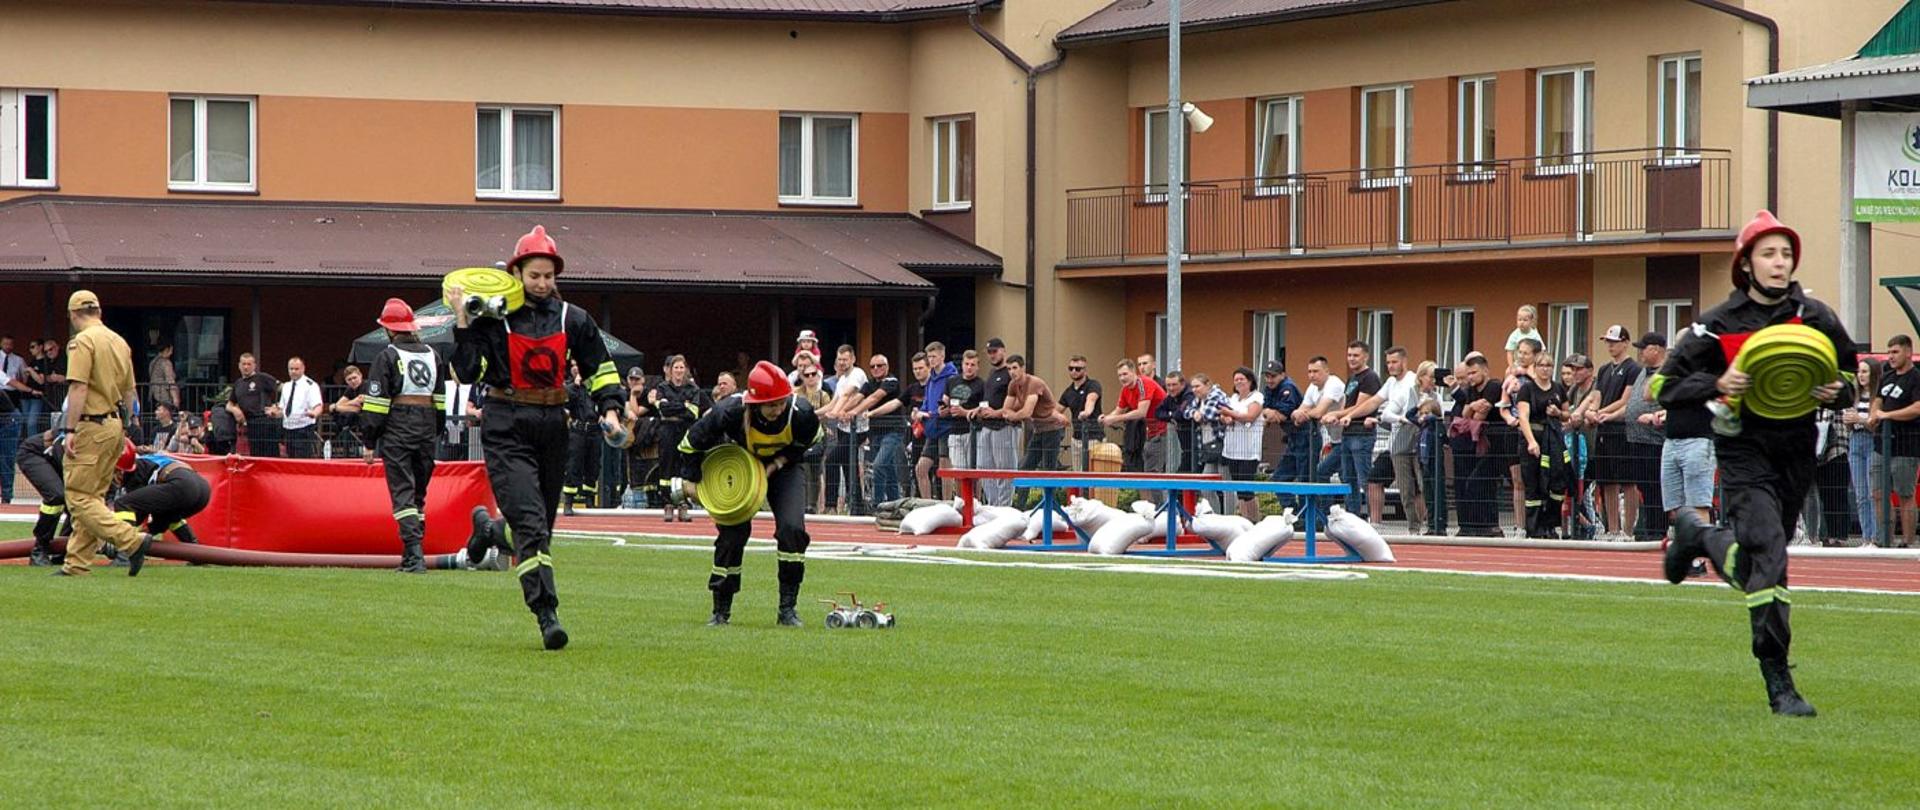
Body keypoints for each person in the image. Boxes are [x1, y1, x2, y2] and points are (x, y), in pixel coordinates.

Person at [1661, 210, 1857, 717]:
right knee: (1770, 553)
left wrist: (1838, 391)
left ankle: (1699, 535)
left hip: (1797, 448)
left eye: (1786, 254)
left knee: (1761, 561)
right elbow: (1662, 386)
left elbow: (1850, 379)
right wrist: (1717, 384)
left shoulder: (1816, 317)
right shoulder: (1715, 324)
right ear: (1745, 263)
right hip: (1742, 448)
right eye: (1768, 253)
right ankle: (1779, 682)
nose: (1779, 262)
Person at [451, 225, 627, 650]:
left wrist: (611, 411)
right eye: (535, 276)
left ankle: (491, 531)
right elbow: (466, 373)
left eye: (549, 276)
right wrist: (462, 321)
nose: (543, 284)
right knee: (531, 526)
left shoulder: (575, 319)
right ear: (517, 274)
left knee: (539, 530)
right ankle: (546, 613)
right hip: (505, 423)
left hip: (552, 424)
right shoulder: (492, 318)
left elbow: (600, 367)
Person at [679, 361, 822, 627]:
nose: (777, 410)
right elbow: (690, 443)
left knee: (792, 530)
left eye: (781, 403)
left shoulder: (801, 413)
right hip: (741, 472)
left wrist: (777, 463)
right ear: (753, 403)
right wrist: (695, 481)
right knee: (732, 538)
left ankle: (787, 610)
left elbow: (812, 442)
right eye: (770, 405)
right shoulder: (728, 412)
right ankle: (720, 611)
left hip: (784, 470)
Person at [55, 290, 157, 577]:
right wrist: (127, 424)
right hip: (114, 425)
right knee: (94, 497)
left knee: (78, 498)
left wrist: (70, 428)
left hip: (91, 423)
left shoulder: (82, 342)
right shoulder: (119, 341)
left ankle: (131, 541)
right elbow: (129, 390)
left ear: (73, 315)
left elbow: (78, 386)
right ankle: (75, 565)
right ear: (98, 311)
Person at [360, 298, 453, 573]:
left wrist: (369, 440)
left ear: (389, 329)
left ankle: (414, 556)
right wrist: (435, 431)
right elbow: (440, 399)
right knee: (418, 495)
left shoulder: (386, 356)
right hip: (426, 429)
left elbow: (377, 405)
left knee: (402, 493)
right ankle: (413, 553)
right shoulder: (432, 355)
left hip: (398, 428)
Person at [1586, 325, 1643, 539]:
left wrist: (1600, 412)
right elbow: (1598, 393)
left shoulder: (1633, 369)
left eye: (1615, 341)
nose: (1610, 345)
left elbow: (1625, 399)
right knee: (1607, 480)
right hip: (1604, 430)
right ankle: (1612, 528)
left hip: (1622, 431)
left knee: (1627, 481)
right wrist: (1592, 411)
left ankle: (1628, 530)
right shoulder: (1603, 369)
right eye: (1608, 341)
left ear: (1626, 342)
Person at [1870, 334, 1920, 547]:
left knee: (1905, 494)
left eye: (1895, 352)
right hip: (1881, 445)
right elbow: (1877, 400)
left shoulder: (1916, 377)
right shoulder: (1887, 377)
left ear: (1908, 352)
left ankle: (1908, 542)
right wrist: (1874, 415)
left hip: (1905, 446)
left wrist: (1888, 416)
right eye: (1889, 352)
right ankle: (1885, 539)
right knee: (1879, 493)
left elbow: (1917, 407)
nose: (1890, 356)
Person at [1323, 341, 1383, 514]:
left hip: (1362, 434)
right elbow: (1348, 404)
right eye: (1349, 355)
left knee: (1365, 479)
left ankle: (1374, 519)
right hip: (1348, 433)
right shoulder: (1352, 378)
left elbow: (1360, 406)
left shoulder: (1370, 377)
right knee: (1348, 479)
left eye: (1356, 355)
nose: (1351, 359)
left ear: (1366, 356)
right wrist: (1339, 417)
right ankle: (1352, 515)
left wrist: (1338, 415)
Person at [1514, 353, 1569, 538]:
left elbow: (1567, 414)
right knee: (1534, 485)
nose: (1545, 368)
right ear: (1535, 367)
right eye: (1541, 365)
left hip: (1553, 440)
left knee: (1556, 484)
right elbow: (1523, 417)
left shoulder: (1558, 389)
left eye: (1549, 365)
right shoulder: (1527, 389)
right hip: (1534, 437)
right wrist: (1531, 442)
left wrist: (1558, 413)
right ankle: (1534, 527)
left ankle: (1551, 525)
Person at [112, 445, 211, 547]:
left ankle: (123, 554)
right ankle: (195, 552)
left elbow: (137, 513)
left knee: (123, 503)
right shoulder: (155, 460)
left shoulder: (137, 465)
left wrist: (111, 530)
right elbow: (159, 520)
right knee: (169, 515)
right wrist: (151, 529)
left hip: (182, 485)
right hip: (203, 490)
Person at [649, 354, 708, 522]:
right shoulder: (662, 387)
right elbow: (662, 409)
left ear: (686, 370)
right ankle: (668, 505)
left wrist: (672, 406)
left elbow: (693, 413)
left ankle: (683, 506)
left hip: (684, 431)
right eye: (676, 367)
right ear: (670, 370)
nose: (679, 370)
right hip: (667, 430)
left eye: (682, 367)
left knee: (683, 468)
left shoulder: (693, 389)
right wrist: (683, 405)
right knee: (666, 468)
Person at [1101, 357, 1167, 504]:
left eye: (1125, 374)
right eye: (1119, 375)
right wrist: (1106, 418)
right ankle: (1154, 506)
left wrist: (1115, 419)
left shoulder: (1144, 383)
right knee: (1145, 471)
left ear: (1133, 373)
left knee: (1153, 472)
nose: (1122, 378)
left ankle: (1162, 508)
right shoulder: (1125, 390)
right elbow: (1118, 410)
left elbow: (1141, 412)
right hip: (1149, 432)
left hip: (1164, 430)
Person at [1450, 354, 1503, 537]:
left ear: (1485, 370)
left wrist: (1472, 410)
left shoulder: (1494, 386)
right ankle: (1473, 526)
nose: (1470, 377)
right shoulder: (1472, 390)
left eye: (1474, 373)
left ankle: (1491, 525)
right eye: (1468, 374)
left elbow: (1480, 416)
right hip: (1477, 444)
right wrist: (1472, 405)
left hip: (1496, 443)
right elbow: (1466, 415)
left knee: (1480, 482)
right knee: (1468, 483)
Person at [1003, 355, 1065, 505]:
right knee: (1025, 467)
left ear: (1023, 368)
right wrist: (1011, 414)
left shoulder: (1034, 383)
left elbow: (1026, 412)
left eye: (1015, 368)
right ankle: (1020, 505)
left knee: (1048, 469)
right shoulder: (1013, 385)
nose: (1012, 372)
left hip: (1052, 428)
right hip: (1038, 429)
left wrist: (1013, 416)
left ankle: (1050, 505)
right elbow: (1006, 409)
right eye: (1009, 368)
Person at [1376, 349, 1426, 534]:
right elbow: (1386, 412)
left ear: (1404, 362)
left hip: (1420, 441)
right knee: (1405, 488)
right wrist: (1403, 419)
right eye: (1388, 362)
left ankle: (1430, 524)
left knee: (1423, 485)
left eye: (1394, 362)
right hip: (1399, 442)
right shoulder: (1396, 386)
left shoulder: (1420, 388)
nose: (1390, 366)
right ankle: (1413, 527)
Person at [848, 354, 908, 505]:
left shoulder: (891, 381)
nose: (876, 369)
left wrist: (855, 412)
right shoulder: (869, 383)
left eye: (879, 365)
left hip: (893, 431)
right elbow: (857, 398)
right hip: (875, 432)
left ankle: (878, 504)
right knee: (888, 469)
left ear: (887, 367)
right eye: (872, 366)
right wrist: (842, 411)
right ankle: (895, 504)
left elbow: (874, 398)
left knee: (879, 465)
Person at [18, 423, 69, 565]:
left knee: (79, 502)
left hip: (59, 456)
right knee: (56, 496)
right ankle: (40, 549)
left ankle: (64, 549)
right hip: (35, 452)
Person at [1221, 367, 1267, 521]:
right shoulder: (1233, 398)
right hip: (1232, 448)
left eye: (1242, 379)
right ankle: (1244, 519)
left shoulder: (1257, 397)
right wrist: (1225, 418)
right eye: (1236, 379)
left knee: (1247, 488)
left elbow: (1250, 416)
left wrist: (1230, 414)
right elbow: (1224, 416)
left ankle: (1254, 519)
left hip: (1249, 449)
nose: (1239, 382)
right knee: (1238, 487)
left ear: (1250, 381)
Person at [977, 338, 1017, 506]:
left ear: (1003, 350)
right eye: (989, 352)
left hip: (1004, 426)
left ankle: (1004, 508)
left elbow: (1016, 401)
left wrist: (996, 413)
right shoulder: (992, 374)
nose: (992, 355)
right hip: (987, 427)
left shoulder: (1010, 374)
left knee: (1004, 469)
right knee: (983, 468)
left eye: (995, 351)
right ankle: (993, 506)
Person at [1184, 373, 1231, 513]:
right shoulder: (1200, 400)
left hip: (1222, 445)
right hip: (1208, 446)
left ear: (1208, 385)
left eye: (1197, 386)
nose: (1194, 390)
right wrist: (1195, 413)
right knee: (1205, 486)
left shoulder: (1216, 395)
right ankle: (1216, 515)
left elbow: (1209, 415)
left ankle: (1229, 517)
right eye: (1192, 387)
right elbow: (1186, 411)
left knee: (1227, 484)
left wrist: (1199, 414)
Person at [1844, 359, 1880, 545]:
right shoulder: (1855, 395)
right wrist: (1849, 420)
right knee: (1860, 493)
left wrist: (1860, 419)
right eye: (1859, 372)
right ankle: (1866, 538)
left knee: (1872, 492)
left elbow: (1876, 424)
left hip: (1871, 441)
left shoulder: (1877, 397)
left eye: (1865, 371)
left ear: (1873, 373)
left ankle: (1875, 536)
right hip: (1855, 440)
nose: (1861, 375)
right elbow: (1852, 423)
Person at [560, 360, 601, 517]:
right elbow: (566, 401)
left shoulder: (594, 386)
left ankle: (589, 499)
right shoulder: (569, 387)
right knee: (573, 465)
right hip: (577, 430)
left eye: (579, 364)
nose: (577, 368)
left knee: (593, 466)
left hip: (594, 430)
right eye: (573, 365)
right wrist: (576, 386)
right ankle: (569, 502)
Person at [915, 343, 955, 499]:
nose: (931, 360)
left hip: (946, 427)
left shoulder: (951, 377)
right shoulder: (931, 377)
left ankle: (947, 504)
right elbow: (926, 400)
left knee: (945, 468)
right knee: (921, 468)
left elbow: (954, 399)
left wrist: (943, 409)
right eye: (929, 357)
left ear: (942, 356)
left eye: (934, 357)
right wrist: (920, 411)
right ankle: (927, 504)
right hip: (932, 428)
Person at [227, 353, 281, 458]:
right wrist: (235, 410)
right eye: (244, 364)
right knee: (255, 456)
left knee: (270, 455)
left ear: (254, 365)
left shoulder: (262, 378)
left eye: (249, 364)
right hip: (250, 424)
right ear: (239, 365)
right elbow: (229, 404)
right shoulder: (238, 383)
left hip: (265, 421)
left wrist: (277, 406)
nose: (246, 367)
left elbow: (283, 388)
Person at [1057, 355, 1103, 470]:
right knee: (1077, 472)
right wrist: (1057, 417)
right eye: (1071, 368)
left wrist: (1086, 412)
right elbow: (1056, 409)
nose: (1074, 371)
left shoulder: (1093, 385)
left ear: (1085, 370)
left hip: (1093, 437)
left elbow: (1091, 400)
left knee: (1092, 473)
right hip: (1076, 438)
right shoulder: (1068, 391)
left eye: (1078, 369)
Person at [278, 356, 325, 458]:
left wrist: (314, 414)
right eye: (291, 369)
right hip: (288, 428)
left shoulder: (310, 385)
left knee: (302, 458)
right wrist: (275, 412)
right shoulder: (286, 386)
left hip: (303, 428)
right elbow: (282, 408)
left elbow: (318, 405)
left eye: (296, 369)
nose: (293, 372)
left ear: (303, 369)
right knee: (290, 457)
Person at [1153, 371, 1194, 474]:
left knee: (1189, 467)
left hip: (1195, 441)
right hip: (1183, 440)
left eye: (1174, 385)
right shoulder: (1171, 397)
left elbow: (1180, 414)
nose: (1171, 388)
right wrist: (1171, 416)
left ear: (1183, 384)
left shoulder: (1189, 394)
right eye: (1168, 385)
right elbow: (1158, 412)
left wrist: (1172, 415)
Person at [329, 365, 367, 458]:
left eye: (354, 378)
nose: (353, 381)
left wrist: (338, 406)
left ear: (360, 376)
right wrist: (353, 402)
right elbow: (336, 406)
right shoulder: (350, 389)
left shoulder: (366, 385)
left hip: (369, 418)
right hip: (356, 419)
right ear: (346, 381)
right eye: (349, 379)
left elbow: (358, 408)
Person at [1505, 304, 1544, 376]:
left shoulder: (1535, 334)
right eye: (1519, 320)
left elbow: (1542, 350)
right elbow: (1509, 352)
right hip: (1518, 362)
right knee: (1507, 372)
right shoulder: (1514, 335)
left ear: (1531, 321)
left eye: (1525, 320)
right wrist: (1511, 366)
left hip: (1532, 363)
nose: (1522, 322)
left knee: (1533, 373)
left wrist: (1538, 363)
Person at [148, 344, 180, 412]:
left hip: (153, 394)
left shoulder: (153, 362)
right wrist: (175, 398)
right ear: (166, 350)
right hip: (164, 396)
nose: (171, 353)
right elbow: (170, 381)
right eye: (171, 351)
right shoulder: (166, 363)